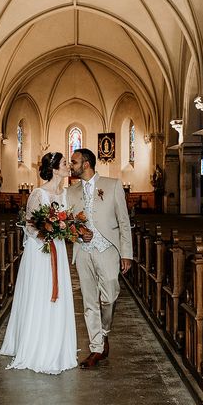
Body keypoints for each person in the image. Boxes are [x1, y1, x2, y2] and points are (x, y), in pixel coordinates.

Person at [0, 152, 77, 374]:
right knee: (40, 294)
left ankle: (57, 344)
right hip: (40, 251)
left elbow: (68, 220)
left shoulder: (66, 194)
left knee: (58, 296)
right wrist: (47, 235)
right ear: (54, 169)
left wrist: (63, 230)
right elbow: (29, 226)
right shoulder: (38, 193)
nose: (68, 166)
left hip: (57, 249)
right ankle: (36, 345)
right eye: (64, 164)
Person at [67, 148, 133, 369]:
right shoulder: (71, 191)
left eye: (74, 162)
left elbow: (124, 222)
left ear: (86, 164)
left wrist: (126, 253)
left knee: (110, 296)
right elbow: (67, 224)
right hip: (83, 251)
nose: (71, 166)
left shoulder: (113, 185)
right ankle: (96, 348)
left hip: (108, 250)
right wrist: (77, 233)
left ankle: (104, 332)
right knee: (88, 302)